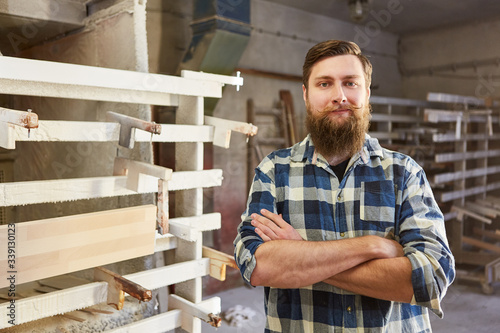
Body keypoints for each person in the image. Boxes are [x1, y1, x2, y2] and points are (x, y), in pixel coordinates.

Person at [233, 40, 455, 332]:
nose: (339, 96)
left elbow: (431, 278)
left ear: (366, 92)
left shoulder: (404, 173)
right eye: (324, 84)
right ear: (306, 94)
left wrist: (301, 255)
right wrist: (374, 247)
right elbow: (257, 266)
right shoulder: (274, 171)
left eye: (350, 83)